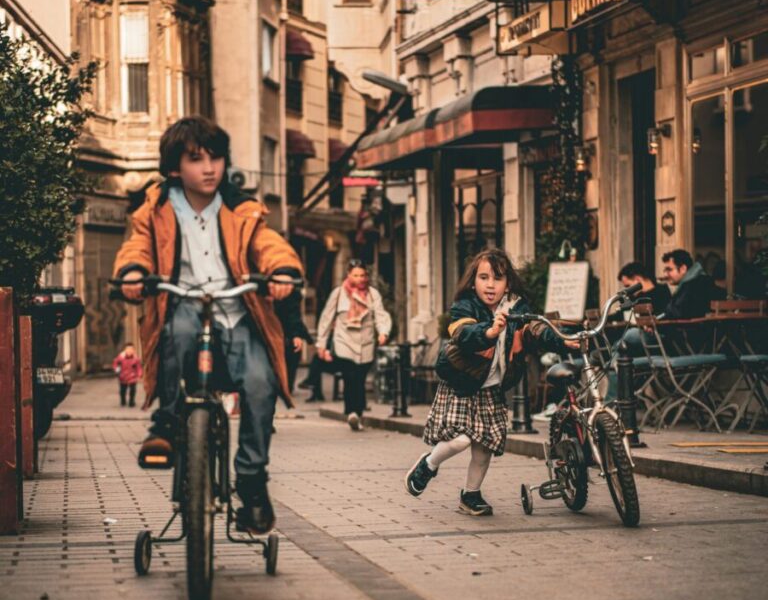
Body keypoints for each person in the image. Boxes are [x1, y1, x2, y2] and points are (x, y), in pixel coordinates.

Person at [112, 116, 303, 534]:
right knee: (177, 331)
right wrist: (131, 271)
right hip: (181, 303)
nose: (210, 167)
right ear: (175, 166)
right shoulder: (156, 208)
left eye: (215, 157)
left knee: (260, 381)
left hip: (235, 312)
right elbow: (138, 245)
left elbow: (266, 244)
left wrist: (283, 269)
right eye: (196, 159)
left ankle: (252, 480)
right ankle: (165, 423)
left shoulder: (241, 208)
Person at [405, 248, 567, 517]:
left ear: (508, 283)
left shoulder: (518, 308)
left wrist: (564, 340)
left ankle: (471, 495)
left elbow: (537, 330)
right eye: (484, 277)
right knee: (460, 440)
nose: (490, 284)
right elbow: (464, 333)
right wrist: (489, 331)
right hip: (463, 383)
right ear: (473, 281)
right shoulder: (464, 306)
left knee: (484, 448)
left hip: (491, 388)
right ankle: (429, 464)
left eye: (498, 278)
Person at [315, 259, 392, 430]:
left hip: (366, 343)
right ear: (348, 275)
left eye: (363, 275)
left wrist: (383, 332)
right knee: (349, 377)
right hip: (344, 341)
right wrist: (321, 344)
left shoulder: (373, 294)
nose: (360, 279)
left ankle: (357, 413)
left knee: (360, 378)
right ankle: (352, 412)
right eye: (356, 275)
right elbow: (326, 319)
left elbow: (380, 315)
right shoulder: (338, 293)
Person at [660, 249, 721, 319]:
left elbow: (679, 312)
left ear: (683, 269)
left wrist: (658, 318)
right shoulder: (697, 281)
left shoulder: (695, 285)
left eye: (669, 269)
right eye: (665, 270)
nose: (665, 274)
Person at [112, 343, 143, 407]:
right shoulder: (120, 357)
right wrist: (117, 370)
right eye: (128, 349)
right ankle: (123, 401)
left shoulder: (136, 359)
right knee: (123, 390)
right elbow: (115, 364)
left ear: (133, 350)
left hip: (132, 376)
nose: (129, 351)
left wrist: (139, 374)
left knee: (133, 389)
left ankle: (131, 401)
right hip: (123, 376)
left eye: (131, 349)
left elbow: (138, 367)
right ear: (125, 350)